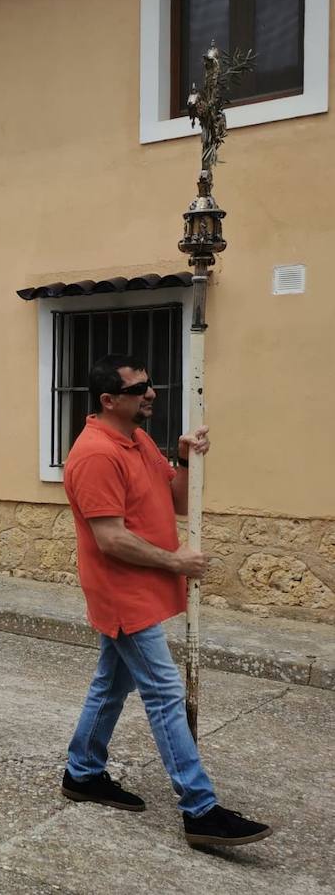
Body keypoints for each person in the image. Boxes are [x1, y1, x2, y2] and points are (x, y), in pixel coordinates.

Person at [61, 354, 271, 848]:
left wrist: (181, 459)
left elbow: (176, 500)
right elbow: (110, 539)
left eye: (150, 385)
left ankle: (82, 773)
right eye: (139, 389)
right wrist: (176, 563)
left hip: (142, 591)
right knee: (164, 693)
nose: (151, 393)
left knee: (111, 687)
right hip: (123, 594)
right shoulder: (95, 454)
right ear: (109, 399)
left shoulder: (136, 442)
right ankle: (199, 811)